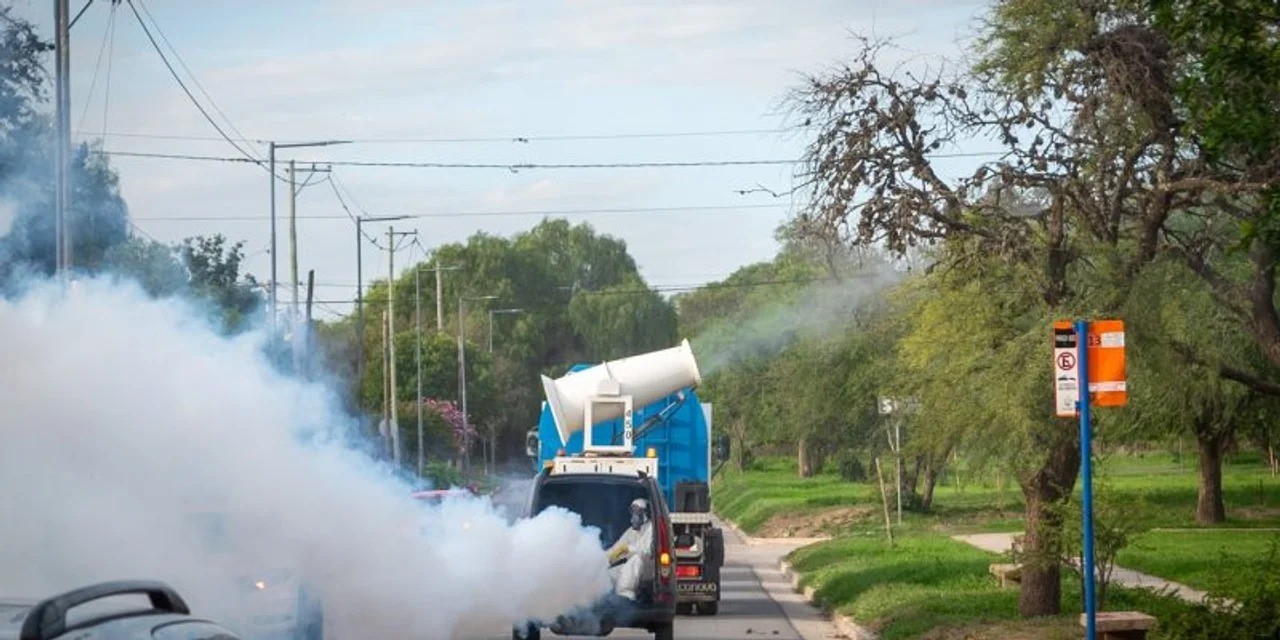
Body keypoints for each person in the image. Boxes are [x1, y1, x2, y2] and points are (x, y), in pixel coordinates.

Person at [606, 498, 654, 600]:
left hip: (647, 568)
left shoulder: (652, 529)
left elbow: (646, 553)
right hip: (631, 567)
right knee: (607, 575)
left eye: (637, 512)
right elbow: (616, 548)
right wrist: (604, 559)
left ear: (645, 514)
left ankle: (626, 596)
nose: (634, 516)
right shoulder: (631, 531)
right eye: (633, 513)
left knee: (636, 559)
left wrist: (628, 549)